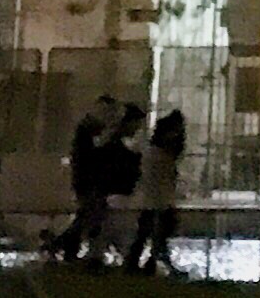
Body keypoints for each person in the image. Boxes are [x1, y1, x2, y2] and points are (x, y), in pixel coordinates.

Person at [48, 99, 114, 267]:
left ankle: (64, 247)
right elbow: (89, 157)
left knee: (86, 216)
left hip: (85, 180)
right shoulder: (89, 133)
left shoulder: (85, 131)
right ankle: (61, 245)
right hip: (88, 181)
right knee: (87, 216)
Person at [125, 109, 183, 276]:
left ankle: (142, 264)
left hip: (154, 200)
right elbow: (161, 180)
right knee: (155, 234)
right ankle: (150, 264)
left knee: (146, 234)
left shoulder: (153, 152)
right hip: (158, 201)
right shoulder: (159, 155)